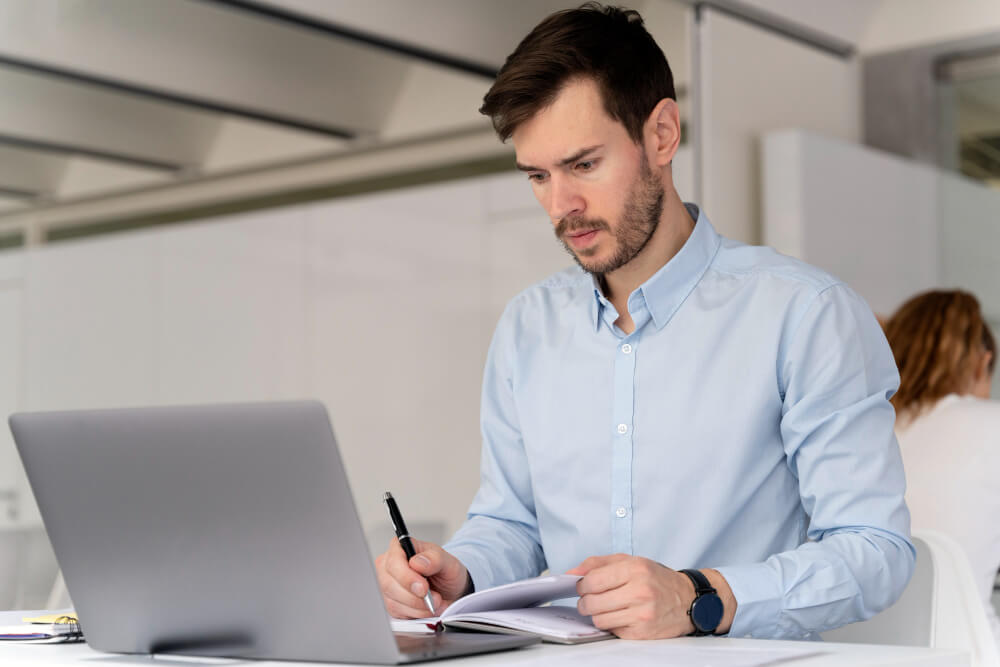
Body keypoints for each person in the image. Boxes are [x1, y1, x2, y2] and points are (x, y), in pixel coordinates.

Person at [375, 3, 914, 640]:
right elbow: (513, 524)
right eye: (538, 177)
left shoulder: (805, 315)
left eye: (583, 165)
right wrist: (457, 575)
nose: (561, 205)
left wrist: (697, 597)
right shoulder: (527, 329)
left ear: (661, 135)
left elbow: (875, 550)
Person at [884, 290, 999, 644]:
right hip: (968, 652)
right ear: (983, 363)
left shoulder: (863, 430)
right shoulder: (992, 424)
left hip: (859, 651)